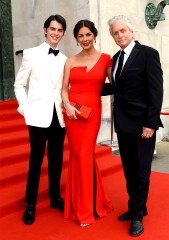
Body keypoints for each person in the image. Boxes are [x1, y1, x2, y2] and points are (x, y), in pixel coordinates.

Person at [107, 15, 163, 236]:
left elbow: (156, 91)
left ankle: (138, 216)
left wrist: (151, 122)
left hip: (142, 125)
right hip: (123, 124)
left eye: (123, 31)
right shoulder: (116, 58)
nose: (120, 35)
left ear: (131, 31)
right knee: (129, 170)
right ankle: (136, 207)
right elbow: (117, 89)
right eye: (115, 33)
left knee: (141, 171)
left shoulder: (148, 54)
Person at [14, 14, 67, 225]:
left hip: (58, 117)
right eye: (52, 29)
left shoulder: (65, 59)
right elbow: (19, 84)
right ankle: (31, 204)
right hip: (37, 117)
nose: (56, 33)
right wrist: (25, 108)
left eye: (60, 30)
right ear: (45, 30)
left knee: (56, 160)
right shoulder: (30, 54)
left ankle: (55, 198)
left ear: (63, 33)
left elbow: (64, 88)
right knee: (36, 160)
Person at [61, 19, 113, 227]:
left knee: (84, 155)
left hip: (92, 114)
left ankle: (85, 208)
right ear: (76, 38)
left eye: (88, 35)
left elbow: (118, 84)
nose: (84, 39)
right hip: (73, 113)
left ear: (94, 35)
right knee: (79, 156)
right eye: (80, 36)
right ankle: (85, 204)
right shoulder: (71, 61)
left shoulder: (106, 59)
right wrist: (67, 104)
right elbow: (64, 88)